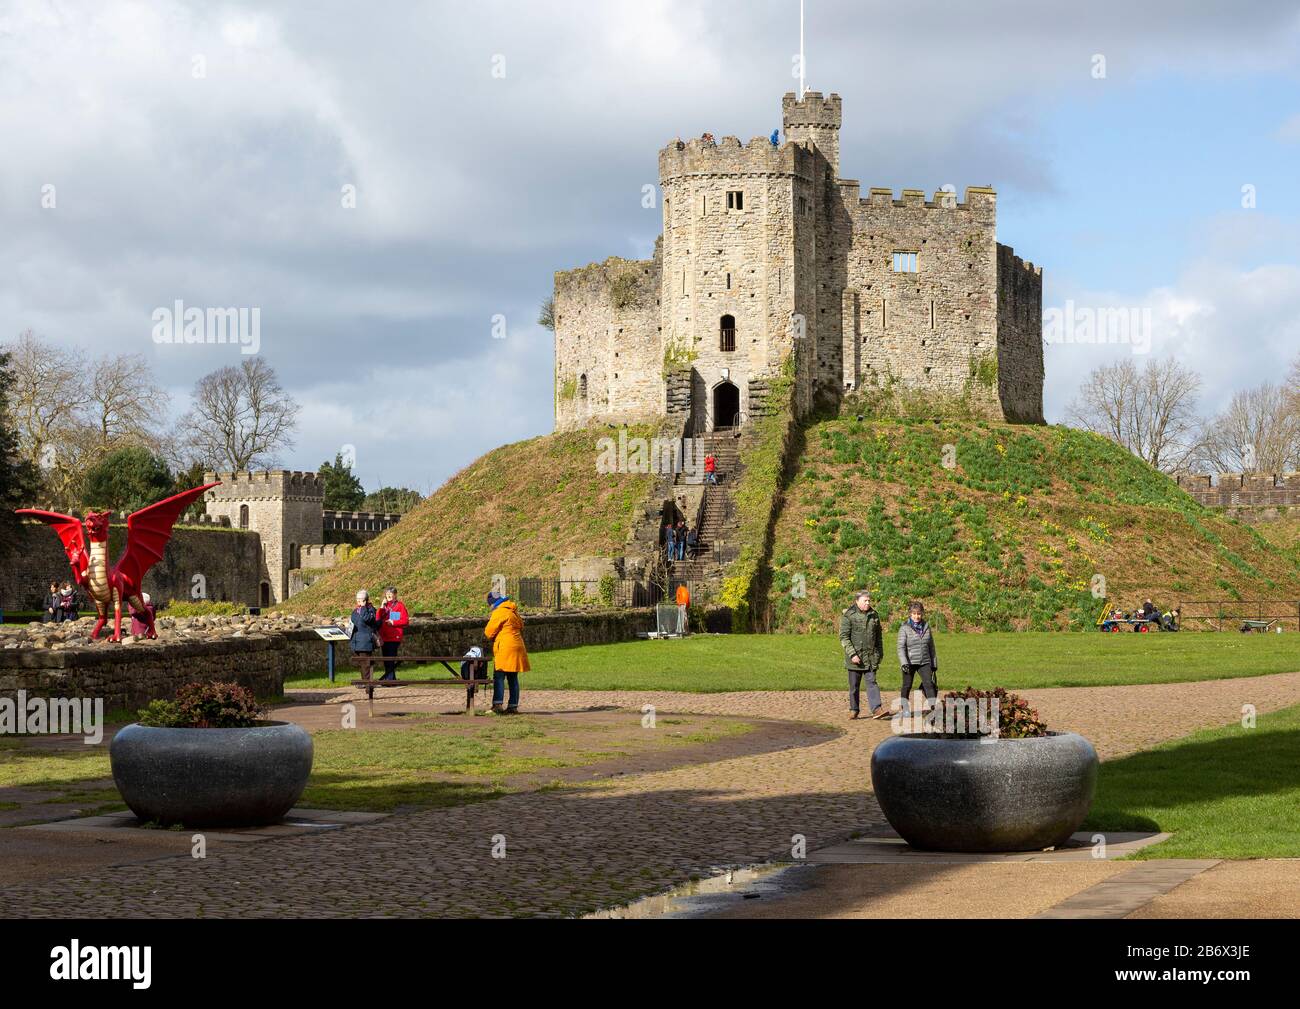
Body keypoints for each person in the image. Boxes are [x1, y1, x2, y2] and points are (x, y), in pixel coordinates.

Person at [840, 591, 884, 720]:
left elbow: (878, 637)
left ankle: (877, 709)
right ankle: (854, 709)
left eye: (869, 600)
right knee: (854, 686)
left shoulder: (874, 615)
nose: (868, 603)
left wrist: (879, 654)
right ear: (857, 601)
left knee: (872, 683)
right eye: (865, 600)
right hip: (855, 659)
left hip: (871, 657)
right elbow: (844, 637)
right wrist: (852, 654)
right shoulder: (849, 615)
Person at [485, 590, 530, 715]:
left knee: (499, 676)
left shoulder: (500, 612)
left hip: (505, 648)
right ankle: (513, 706)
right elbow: (521, 625)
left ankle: (497, 705)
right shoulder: (512, 610)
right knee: (512, 677)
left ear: (493, 603)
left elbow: (488, 632)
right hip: (517, 646)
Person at [898, 600, 938, 710]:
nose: (917, 616)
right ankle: (905, 708)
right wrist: (904, 663)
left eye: (919, 613)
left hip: (924, 661)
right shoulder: (904, 628)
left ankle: (933, 708)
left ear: (922, 614)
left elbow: (931, 647)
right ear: (910, 614)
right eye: (914, 614)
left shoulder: (926, 627)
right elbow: (901, 648)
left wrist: (934, 663)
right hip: (909, 662)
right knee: (907, 686)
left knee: (929, 684)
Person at [376, 586, 410, 680]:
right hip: (384, 636)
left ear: (395, 595)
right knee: (386, 659)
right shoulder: (385, 606)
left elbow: (405, 621)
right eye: (387, 594)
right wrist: (382, 606)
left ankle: (389, 680)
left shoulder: (400, 606)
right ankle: (391, 679)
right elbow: (378, 618)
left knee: (390, 659)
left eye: (390, 594)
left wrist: (393, 622)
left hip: (394, 636)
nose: (388, 596)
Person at [349, 589, 381, 674]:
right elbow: (353, 621)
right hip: (356, 640)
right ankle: (364, 682)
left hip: (365, 641)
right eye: (357, 599)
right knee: (361, 663)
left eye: (360, 599)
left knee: (366, 663)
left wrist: (363, 607)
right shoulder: (356, 610)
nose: (358, 601)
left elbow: (367, 619)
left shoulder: (371, 610)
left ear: (365, 600)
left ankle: (367, 683)